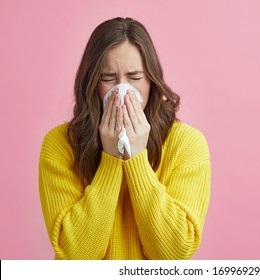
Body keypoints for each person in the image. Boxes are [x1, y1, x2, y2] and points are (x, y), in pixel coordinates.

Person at [39, 17, 211, 260]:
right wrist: (110, 158)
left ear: (151, 80)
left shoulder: (187, 144)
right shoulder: (60, 145)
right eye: (108, 78)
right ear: (91, 82)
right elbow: (74, 256)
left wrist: (137, 159)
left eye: (134, 78)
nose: (121, 91)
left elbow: (174, 255)